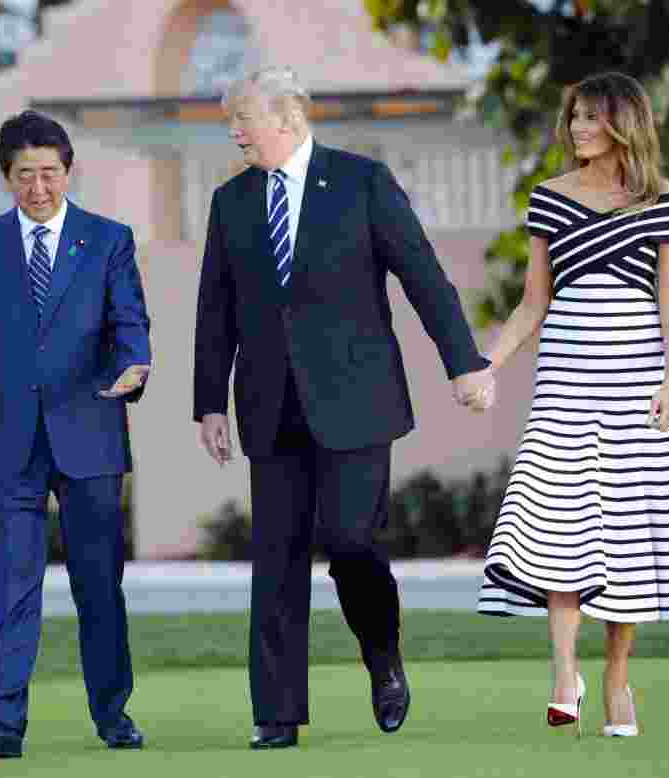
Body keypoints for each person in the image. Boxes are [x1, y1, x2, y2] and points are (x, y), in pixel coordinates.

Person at [193, 66, 495, 750]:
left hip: (358, 400)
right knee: (276, 558)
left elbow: (423, 274)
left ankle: (382, 655)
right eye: (230, 121)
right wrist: (208, 402)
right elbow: (216, 311)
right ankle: (276, 713)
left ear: (289, 120)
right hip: (270, 405)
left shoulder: (361, 183)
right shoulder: (232, 200)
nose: (234, 132)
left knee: (352, 541)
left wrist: (463, 363)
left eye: (243, 118)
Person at [476, 72, 669, 737]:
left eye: (592, 118)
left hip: (638, 376)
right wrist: (487, 365)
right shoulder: (548, 198)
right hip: (564, 377)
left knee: (627, 535)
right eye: (575, 118)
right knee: (559, 520)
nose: (579, 129)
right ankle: (566, 674)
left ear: (624, 123)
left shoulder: (662, 199)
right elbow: (533, 300)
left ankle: (617, 679)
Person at [0, 110, 151, 758]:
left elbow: (129, 321)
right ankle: (2, 724)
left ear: (68, 172)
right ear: (6, 178)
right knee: (13, 583)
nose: (38, 186)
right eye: (24, 175)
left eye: (49, 173)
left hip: (92, 433)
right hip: (10, 441)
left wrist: (136, 364)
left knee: (100, 584)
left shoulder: (108, 239)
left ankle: (113, 714)